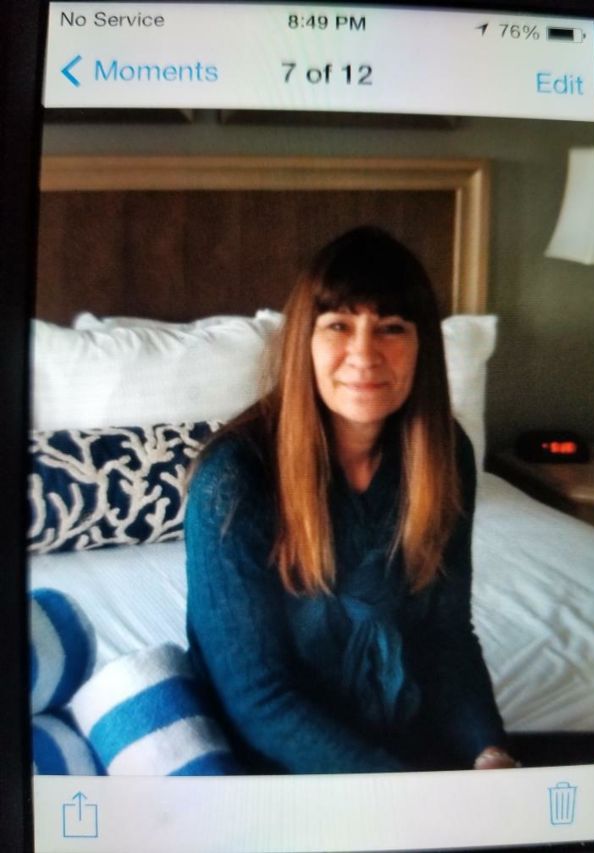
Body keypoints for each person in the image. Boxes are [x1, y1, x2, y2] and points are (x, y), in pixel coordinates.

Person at [185, 226, 518, 774]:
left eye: (391, 328)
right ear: (305, 342)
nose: (364, 355)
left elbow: (446, 637)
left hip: (400, 729)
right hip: (275, 756)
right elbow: (258, 699)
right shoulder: (234, 481)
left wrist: (489, 751)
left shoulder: (444, 454)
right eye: (338, 325)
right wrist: (402, 791)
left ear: (422, 348)